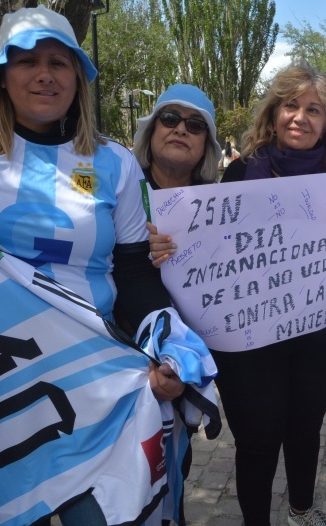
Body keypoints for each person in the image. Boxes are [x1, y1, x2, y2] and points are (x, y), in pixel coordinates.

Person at [0, 5, 181, 525]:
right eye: (26, 62)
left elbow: (135, 274)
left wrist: (165, 345)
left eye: (59, 62)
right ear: (2, 76)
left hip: (91, 365)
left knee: (101, 514)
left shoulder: (115, 162)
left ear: (78, 78)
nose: (44, 74)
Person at [149, 64, 326, 526]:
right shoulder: (238, 174)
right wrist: (166, 249)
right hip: (247, 344)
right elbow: (209, 257)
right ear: (274, 114)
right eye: (291, 106)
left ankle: (301, 511)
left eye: (314, 110)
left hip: (318, 336)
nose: (301, 117)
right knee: (257, 439)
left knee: (305, 431)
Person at [131, 82, 221, 526]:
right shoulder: (120, 192)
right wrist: (129, 249)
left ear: (207, 143)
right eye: (170, 118)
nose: (181, 129)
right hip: (124, 365)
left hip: (182, 368)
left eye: (195, 124)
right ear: (151, 129)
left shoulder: (220, 204)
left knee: (172, 481)